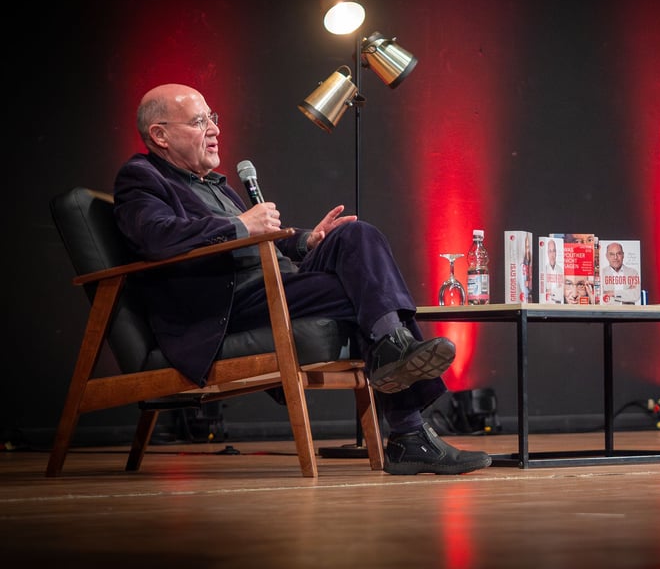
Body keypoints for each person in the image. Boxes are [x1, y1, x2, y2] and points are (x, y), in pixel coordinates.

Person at [113, 83, 491, 475]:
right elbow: (156, 237)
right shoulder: (140, 177)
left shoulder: (215, 185)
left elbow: (256, 241)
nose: (214, 129)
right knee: (365, 293)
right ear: (159, 135)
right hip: (224, 303)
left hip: (269, 285)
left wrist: (305, 241)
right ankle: (408, 427)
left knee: (357, 235)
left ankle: (392, 351)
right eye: (198, 121)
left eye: (212, 118)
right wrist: (238, 225)